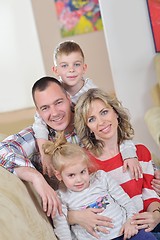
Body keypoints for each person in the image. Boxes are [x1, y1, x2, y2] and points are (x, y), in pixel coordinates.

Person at [0, 76, 140, 219]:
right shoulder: (38, 137)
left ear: (68, 98)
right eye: (45, 108)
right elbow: (2, 150)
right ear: (38, 112)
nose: (54, 113)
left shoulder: (89, 119)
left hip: (123, 204)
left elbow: (118, 133)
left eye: (58, 102)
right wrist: (36, 178)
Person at [32, 40, 141, 178]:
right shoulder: (54, 93)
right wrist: (44, 154)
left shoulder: (92, 94)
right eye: (64, 65)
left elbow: (116, 125)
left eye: (76, 64)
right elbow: (39, 123)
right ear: (56, 70)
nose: (71, 70)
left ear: (84, 68)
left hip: (99, 144)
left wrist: (129, 153)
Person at [66, 88, 160, 239]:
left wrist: (156, 215)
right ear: (88, 128)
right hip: (117, 231)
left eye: (104, 112)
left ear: (115, 112)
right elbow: (72, 200)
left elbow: (150, 194)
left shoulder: (140, 152)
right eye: (92, 119)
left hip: (144, 222)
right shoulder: (84, 163)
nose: (101, 122)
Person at [42, 131, 156, 240]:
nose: (79, 180)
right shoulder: (60, 197)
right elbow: (62, 228)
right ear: (59, 175)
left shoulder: (100, 177)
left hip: (126, 231)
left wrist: (130, 222)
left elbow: (126, 202)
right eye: (71, 175)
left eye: (83, 172)